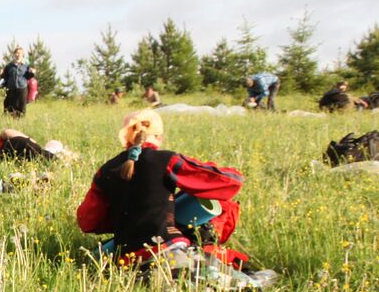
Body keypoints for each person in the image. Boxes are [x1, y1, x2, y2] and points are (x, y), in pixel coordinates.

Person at [76, 110, 253, 272]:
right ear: (159, 137)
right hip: (168, 249)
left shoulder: (105, 171)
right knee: (230, 271)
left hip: (125, 259)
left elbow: (88, 222)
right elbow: (229, 183)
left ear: (126, 137)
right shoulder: (165, 160)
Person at [0, 46, 34, 118]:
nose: (18, 55)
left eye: (20, 53)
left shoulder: (26, 65)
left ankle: (21, 121)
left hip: (22, 88)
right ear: (14, 54)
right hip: (11, 89)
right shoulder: (9, 66)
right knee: (10, 105)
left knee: (21, 106)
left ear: (22, 55)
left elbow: (29, 76)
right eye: (16, 53)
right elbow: (5, 76)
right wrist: (1, 74)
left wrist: (32, 72)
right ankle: (10, 120)